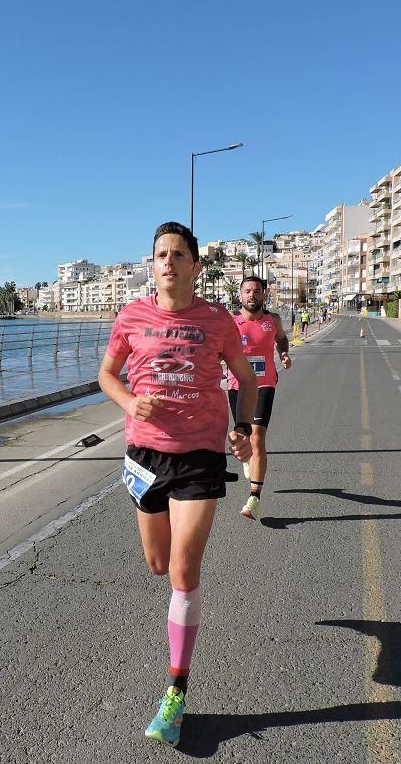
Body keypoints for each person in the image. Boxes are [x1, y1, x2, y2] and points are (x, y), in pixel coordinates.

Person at [98, 221, 257, 747]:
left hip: (199, 457)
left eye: (178, 254)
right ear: (153, 264)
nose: (168, 261)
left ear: (195, 265)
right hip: (144, 455)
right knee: (158, 564)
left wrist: (242, 428)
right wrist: (128, 403)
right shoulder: (130, 316)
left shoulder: (216, 319)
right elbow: (107, 375)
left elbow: (246, 376)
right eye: (160, 254)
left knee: (184, 572)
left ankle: (176, 692)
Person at [226, 276, 291, 520]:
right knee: (242, 437)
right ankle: (248, 459)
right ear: (240, 295)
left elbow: (281, 338)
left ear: (264, 295)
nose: (252, 295)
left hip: (265, 385)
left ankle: (254, 497)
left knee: (257, 437)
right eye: (247, 291)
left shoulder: (272, 320)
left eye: (256, 291)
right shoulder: (231, 322)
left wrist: (283, 354)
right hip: (238, 385)